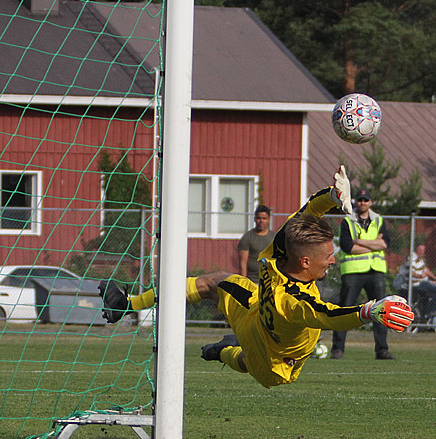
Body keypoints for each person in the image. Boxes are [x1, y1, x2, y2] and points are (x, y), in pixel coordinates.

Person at [97, 166, 413, 389]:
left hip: (261, 322)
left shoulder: (277, 253)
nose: (333, 260)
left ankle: (140, 312)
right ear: (304, 261)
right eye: (327, 256)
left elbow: (305, 215)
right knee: (237, 335)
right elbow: (329, 315)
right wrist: (368, 310)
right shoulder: (294, 303)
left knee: (219, 298)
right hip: (274, 357)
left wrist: (332, 196)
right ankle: (136, 309)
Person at [331, 188, 395, 360]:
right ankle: (337, 349)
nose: (363, 203)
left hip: (375, 271)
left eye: (366, 200)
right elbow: (347, 247)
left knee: (381, 311)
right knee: (344, 310)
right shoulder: (347, 222)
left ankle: (382, 350)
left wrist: (359, 241)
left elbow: (384, 244)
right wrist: (373, 243)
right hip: (353, 272)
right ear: (355, 202)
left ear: (371, 202)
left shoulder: (379, 220)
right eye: (360, 200)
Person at [237, 205, 276, 281]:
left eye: (264, 218)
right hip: (252, 281)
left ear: (269, 219)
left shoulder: (274, 237)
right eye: (258, 218)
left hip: (270, 281)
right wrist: (244, 282)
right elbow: (243, 263)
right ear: (255, 219)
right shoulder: (247, 237)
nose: (261, 221)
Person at [409, 243, 436, 318]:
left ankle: (424, 316)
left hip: (422, 282)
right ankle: (431, 311)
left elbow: (426, 270)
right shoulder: (412, 258)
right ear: (416, 250)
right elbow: (411, 272)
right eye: (420, 250)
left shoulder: (420, 259)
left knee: (426, 298)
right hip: (417, 283)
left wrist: (434, 277)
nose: (422, 252)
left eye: (423, 250)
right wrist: (420, 276)